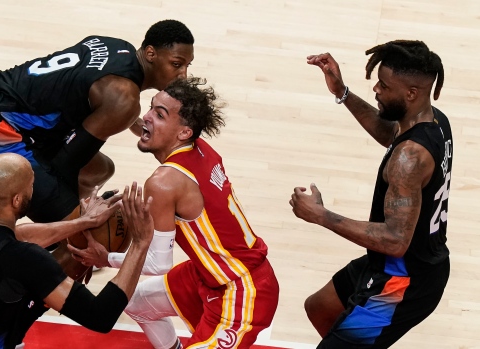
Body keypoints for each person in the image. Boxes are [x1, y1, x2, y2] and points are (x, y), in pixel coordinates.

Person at [69, 77, 280, 349]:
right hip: (208, 275)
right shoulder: (203, 149)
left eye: (158, 114)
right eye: (150, 108)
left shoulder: (163, 183)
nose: (146, 117)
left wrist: (105, 258)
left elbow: (159, 264)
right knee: (135, 303)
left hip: (243, 292)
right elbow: (164, 141)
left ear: (183, 133)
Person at [290, 40, 452, 348]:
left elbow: (394, 240)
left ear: (411, 93)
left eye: (384, 85)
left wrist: (321, 215)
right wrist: (342, 93)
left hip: (400, 283)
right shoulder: (432, 121)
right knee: (320, 308)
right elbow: (386, 131)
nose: (376, 88)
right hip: (397, 265)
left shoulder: (410, 158)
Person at [0, 153, 155, 349]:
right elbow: (100, 316)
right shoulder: (24, 260)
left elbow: (18, 235)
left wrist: (82, 223)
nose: (34, 189)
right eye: (31, 184)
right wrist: (141, 243)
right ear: (16, 200)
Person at [0, 20, 194, 225]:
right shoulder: (124, 98)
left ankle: (63, 243)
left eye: (187, 65)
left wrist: (134, 121)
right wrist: (79, 221)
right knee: (75, 231)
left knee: (99, 170)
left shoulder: (118, 48)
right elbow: (66, 164)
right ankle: (27, 253)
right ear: (151, 54)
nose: (183, 75)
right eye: (176, 64)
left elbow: (92, 88)